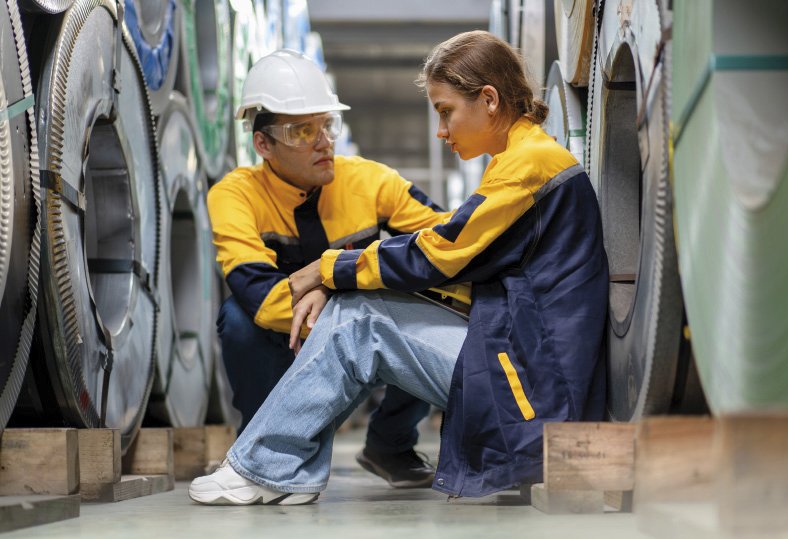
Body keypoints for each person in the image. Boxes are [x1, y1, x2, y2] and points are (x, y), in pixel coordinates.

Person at [190, 30, 608, 506]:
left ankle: (271, 466)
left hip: (532, 391)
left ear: (489, 100)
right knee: (294, 315)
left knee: (363, 318)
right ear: (264, 144)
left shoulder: (525, 166)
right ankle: (278, 461)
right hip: (528, 367)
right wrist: (343, 281)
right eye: (303, 132)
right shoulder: (522, 159)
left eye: (446, 111)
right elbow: (447, 255)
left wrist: (330, 273)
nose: (441, 131)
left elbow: (439, 250)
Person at [209, 49, 452, 488]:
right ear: (263, 144)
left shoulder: (372, 181)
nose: (324, 142)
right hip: (283, 334)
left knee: (422, 305)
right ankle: (262, 444)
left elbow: (449, 248)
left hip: (359, 332)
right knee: (238, 319)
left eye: (328, 125)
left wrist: (331, 284)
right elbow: (262, 300)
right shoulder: (235, 196)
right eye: (303, 130)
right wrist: (342, 296)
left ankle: (390, 444)